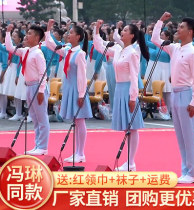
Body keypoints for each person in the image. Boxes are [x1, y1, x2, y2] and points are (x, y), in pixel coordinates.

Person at [151, 12, 194, 183]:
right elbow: (155, 40)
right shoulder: (174, 48)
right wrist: (161, 21)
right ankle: (186, 171)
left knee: (189, 136)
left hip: (187, 95)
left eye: (182, 27)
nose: (178, 29)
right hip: (175, 93)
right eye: (178, 26)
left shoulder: (193, 53)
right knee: (180, 136)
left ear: (190, 31)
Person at [94, 19, 149, 171]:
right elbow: (99, 47)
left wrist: (133, 98)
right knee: (127, 127)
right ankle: (129, 162)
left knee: (133, 127)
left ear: (131, 35)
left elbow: (134, 76)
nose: (121, 32)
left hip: (128, 89)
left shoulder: (132, 53)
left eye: (125, 30)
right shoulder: (118, 49)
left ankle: (131, 162)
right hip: (119, 89)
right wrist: (97, 29)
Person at [45, 19, 92, 163]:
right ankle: (77, 152)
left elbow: (82, 77)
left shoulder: (80, 54)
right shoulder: (67, 50)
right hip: (69, 87)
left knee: (80, 121)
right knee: (75, 121)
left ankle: (81, 152)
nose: (68, 35)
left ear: (78, 37)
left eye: (71, 33)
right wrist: (48, 30)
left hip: (77, 90)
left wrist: (81, 94)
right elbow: (51, 45)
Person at [5, 24, 50, 155]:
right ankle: (38, 144)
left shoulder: (38, 53)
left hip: (37, 86)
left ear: (37, 37)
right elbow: (10, 48)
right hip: (29, 86)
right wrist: (8, 33)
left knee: (42, 118)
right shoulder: (26, 51)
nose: (26, 36)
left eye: (29, 33)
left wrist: (41, 91)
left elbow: (43, 74)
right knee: (35, 118)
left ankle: (43, 146)